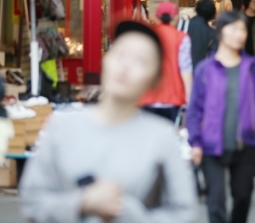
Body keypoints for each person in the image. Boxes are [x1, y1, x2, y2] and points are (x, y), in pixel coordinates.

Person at [20, 21, 199, 223]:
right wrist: (83, 202)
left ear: (155, 79)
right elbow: (32, 202)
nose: (125, 67)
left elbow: (184, 213)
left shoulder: (162, 137)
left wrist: (129, 213)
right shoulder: (62, 126)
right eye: (119, 54)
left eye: (140, 61)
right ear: (106, 60)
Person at [187, 12, 255, 223]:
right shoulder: (205, 70)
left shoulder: (250, 66)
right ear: (220, 32)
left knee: (242, 196)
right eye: (233, 29)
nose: (239, 35)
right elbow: (195, 109)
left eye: (242, 29)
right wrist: (195, 141)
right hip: (211, 144)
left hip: (245, 144)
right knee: (216, 202)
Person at [139, 2, 192, 122]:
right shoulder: (182, 38)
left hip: (147, 96)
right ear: (175, 17)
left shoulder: (147, 36)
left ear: (157, 17)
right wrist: (189, 96)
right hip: (173, 97)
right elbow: (185, 68)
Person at [188, 0, 218, 69]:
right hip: (200, 70)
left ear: (197, 10)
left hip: (180, 70)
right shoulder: (212, 33)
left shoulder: (183, 25)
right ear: (213, 13)